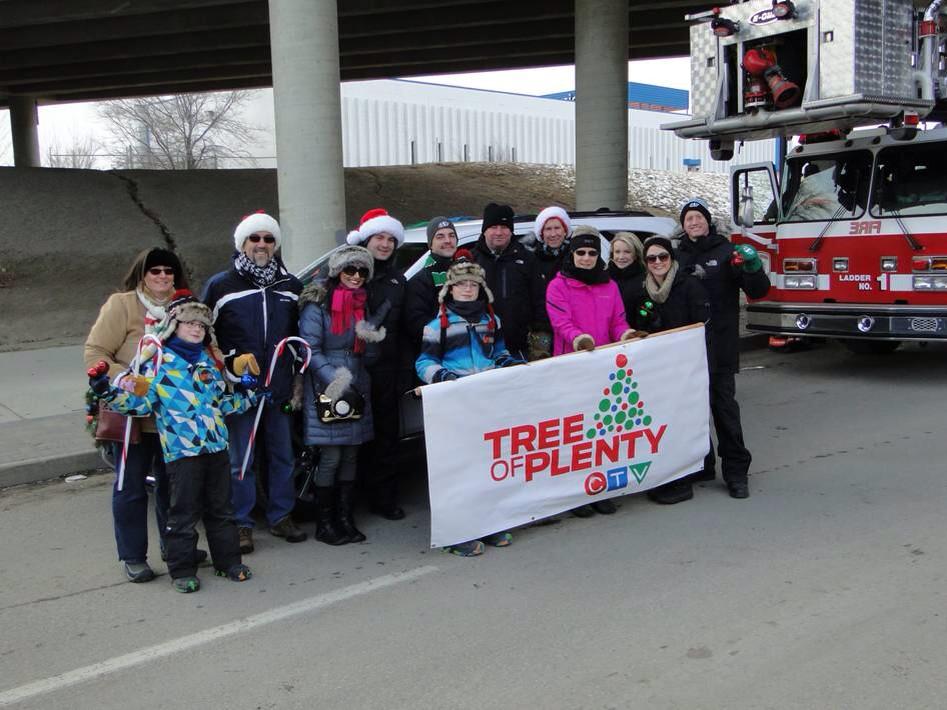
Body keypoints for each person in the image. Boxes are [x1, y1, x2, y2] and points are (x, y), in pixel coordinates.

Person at [89, 291, 254, 593]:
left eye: (202, 326)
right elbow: (140, 405)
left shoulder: (208, 363)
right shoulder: (159, 363)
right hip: (182, 452)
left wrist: (249, 393)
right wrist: (107, 391)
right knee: (183, 513)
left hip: (216, 448)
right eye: (189, 323)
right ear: (174, 326)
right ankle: (182, 570)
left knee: (221, 509)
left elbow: (224, 404)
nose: (196, 329)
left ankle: (228, 562)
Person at [84, 247, 190, 583]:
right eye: (155, 271)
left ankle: (173, 547)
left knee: (171, 488)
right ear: (142, 274)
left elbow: (206, 347)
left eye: (168, 271)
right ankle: (133, 556)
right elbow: (95, 352)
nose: (162, 277)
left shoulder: (184, 307)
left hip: (172, 415)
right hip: (132, 416)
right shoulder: (123, 305)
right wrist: (126, 379)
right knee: (130, 486)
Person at [202, 211, 307, 553]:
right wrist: (227, 363)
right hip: (240, 389)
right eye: (255, 238)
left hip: (278, 385)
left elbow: (301, 333)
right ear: (242, 243)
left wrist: (294, 370)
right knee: (241, 459)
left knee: (283, 456)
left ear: (275, 245)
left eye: (268, 239)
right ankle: (242, 523)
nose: (261, 244)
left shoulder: (291, 286)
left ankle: (281, 516)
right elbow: (204, 334)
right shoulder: (221, 285)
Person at [416, 250, 523, 555]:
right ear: (449, 289)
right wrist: (444, 378)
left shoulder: (492, 319)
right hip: (455, 402)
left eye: (473, 285)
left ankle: (487, 523)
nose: (467, 289)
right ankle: (455, 533)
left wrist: (508, 365)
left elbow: (499, 352)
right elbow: (424, 361)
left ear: (480, 288)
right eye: (461, 284)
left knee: (487, 462)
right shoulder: (438, 325)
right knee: (457, 468)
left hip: (486, 401)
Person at [674, 197, 770, 499]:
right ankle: (702, 463)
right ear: (683, 225)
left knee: (724, 410)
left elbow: (757, 290)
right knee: (692, 411)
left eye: (698, 217)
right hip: (687, 351)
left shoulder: (727, 252)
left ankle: (736, 472)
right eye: (688, 219)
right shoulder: (676, 256)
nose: (693, 223)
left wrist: (753, 267)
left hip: (720, 346)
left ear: (708, 221)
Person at [545, 226, 639, 516]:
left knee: (601, 429)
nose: (586, 258)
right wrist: (578, 338)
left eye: (592, 253)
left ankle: (598, 487)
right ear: (572, 255)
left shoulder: (609, 285)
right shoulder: (557, 286)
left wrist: (625, 335)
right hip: (572, 365)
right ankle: (576, 494)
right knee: (576, 433)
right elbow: (560, 321)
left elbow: (618, 321)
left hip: (603, 367)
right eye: (581, 252)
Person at [299, 246, 386, 545]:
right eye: (350, 270)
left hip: (358, 380)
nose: (356, 277)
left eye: (362, 271)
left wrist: (372, 338)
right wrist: (334, 379)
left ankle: (345, 518)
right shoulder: (318, 305)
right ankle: (325, 523)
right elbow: (309, 349)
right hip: (329, 383)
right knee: (331, 455)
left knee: (351, 453)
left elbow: (370, 353)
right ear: (338, 272)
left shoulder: (364, 304)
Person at [635, 236, 713, 505]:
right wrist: (647, 324)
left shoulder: (688, 284)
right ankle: (697, 467)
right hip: (658, 366)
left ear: (671, 259)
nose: (658, 263)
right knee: (665, 419)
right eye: (651, 259)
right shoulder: (644, 289)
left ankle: (683, 478)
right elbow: (638, 323)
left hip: (685, 362)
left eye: (663, 257)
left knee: (683, 418)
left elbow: (701, 321)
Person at [345, 208, 410, 520]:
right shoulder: (350, 274)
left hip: (387, 370)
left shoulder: (399, 280)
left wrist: (404, 370)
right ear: (366, 240)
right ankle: (349, 503)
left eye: (390, 239)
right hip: (352, 368)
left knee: (386, 438)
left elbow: (407, 328)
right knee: (352, 438)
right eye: (379, 238)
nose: (384, 244)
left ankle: (384, 499)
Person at [472, 203, 544, 361]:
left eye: (504, 227)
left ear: (511, 231)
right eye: (494, 227)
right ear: (485, 230)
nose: (499, 232)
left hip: (520, 350)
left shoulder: (527, 259)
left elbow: (539, 302)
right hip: (480, 351)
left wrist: (540, 345)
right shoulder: (471, 261)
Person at [404, 216, 459, 351]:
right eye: (440, 236)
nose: (447, 241)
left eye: (451, 235)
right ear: (431, 244)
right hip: (436, 353)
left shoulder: (466, 274)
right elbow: (416, 325)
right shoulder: (420, 281)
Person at [528, 206, 572, 360]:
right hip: (541, 328)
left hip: (571, 326)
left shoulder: (577, 255)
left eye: (557, 228)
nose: (553, 234)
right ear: (541, 233)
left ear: (565, 230)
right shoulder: (531, 258)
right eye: (548, 229)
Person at [608, 231, 647, 319]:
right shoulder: (603, 278)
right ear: (612, 254)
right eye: (617, 252)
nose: (621, 257)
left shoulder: (646, 280)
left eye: (627, 252)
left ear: (636, 254)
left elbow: (646, 314)